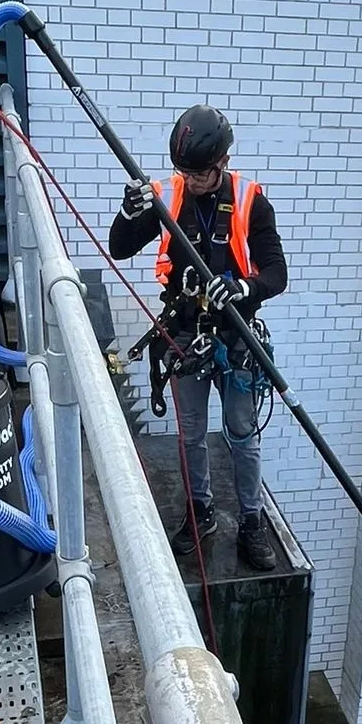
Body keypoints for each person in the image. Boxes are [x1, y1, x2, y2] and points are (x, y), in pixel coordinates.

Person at [108, 104, 288, 571]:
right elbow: (120, 248)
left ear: (223, 162)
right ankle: (200, 511)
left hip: (236, 335)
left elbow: (276, 272)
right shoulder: (167, 195)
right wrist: (129, 214)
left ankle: (251, 520)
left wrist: (245, 287)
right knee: (190, 435)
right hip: (186, 334)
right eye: (183, 171)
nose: (192, 180)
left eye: (201, 174)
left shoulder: (251, 200)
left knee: (242, 434)